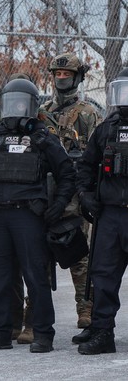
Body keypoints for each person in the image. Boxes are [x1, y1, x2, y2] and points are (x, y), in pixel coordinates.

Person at [0, 78, 75, 353]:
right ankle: (0, 331)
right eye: (11, 103)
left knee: (36, 276)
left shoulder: (44, 138)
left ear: (33, 106)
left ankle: (43, 333)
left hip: (29, 216)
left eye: (21, 103)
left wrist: (58, 206)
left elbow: (68, 174)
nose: (16, 108)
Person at [16, 53, 103, 345]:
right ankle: (33, 318)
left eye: (67, 74)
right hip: (43, 190)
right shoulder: (41, 111)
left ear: (78, 77)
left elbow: (95, 154)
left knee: (77, 250)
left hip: (74, 191)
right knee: (38, 256)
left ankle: (86, 310)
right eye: (58, 74)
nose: (62, 78)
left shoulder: (89, 113)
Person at [74, 68, 128, 355]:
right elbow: (85, 165)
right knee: (103, 274)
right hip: (110, 214)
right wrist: (85, 195)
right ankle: (102, 330)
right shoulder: (107, 127)